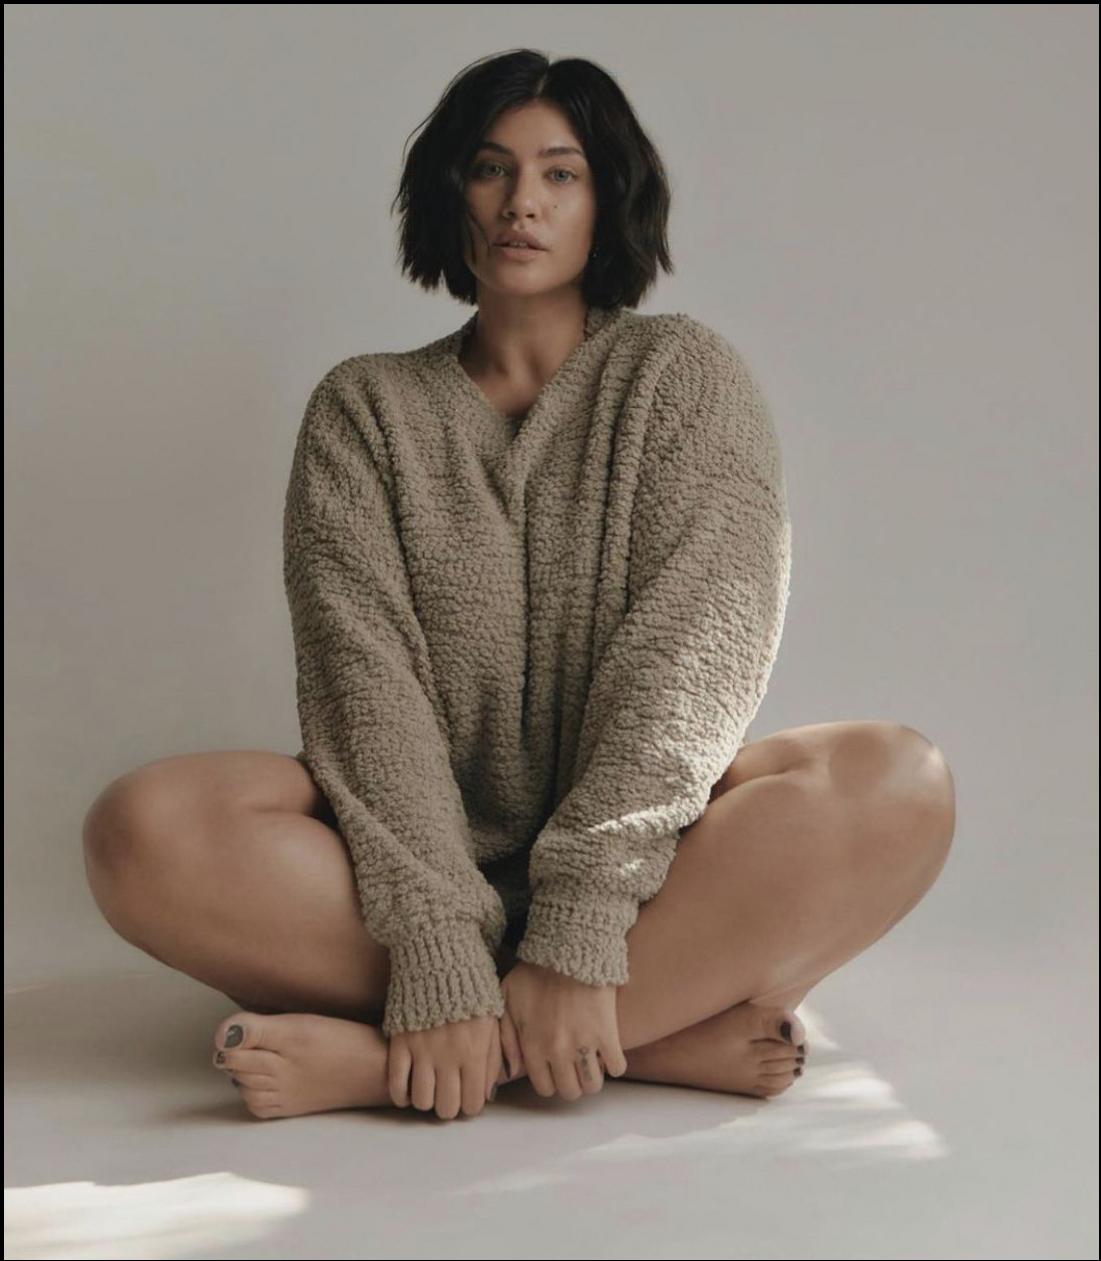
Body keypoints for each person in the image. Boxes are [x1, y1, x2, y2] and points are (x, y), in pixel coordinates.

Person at [82, 49, 956, 1124]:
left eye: (560, 173)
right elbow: (364, 685)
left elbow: (691, 665)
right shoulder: (364, 408)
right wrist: (436, 942)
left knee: (899, 781)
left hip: (650, 874)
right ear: (451, 192)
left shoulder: (685, 378)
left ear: (607, 199)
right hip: (400, 868)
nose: (521, 203)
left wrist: (581, 923)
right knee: (143, 828)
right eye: (490, 169)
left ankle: (411, 1058)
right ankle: (637, 1036)